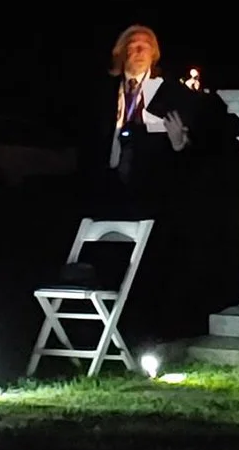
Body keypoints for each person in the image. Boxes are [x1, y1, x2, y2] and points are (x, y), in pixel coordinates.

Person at [82, 23, 203, 340]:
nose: (139, 51)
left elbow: (188, 147)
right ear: (121, 53)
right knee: (106, 262)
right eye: (133, 46)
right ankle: (102, 332)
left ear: (155, 54)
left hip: (150, 190)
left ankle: (147, 331)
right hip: (108, 187)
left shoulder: (169, 93)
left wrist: (179, 143)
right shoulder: (103, 92)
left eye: (145, 46)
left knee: (148, 265)